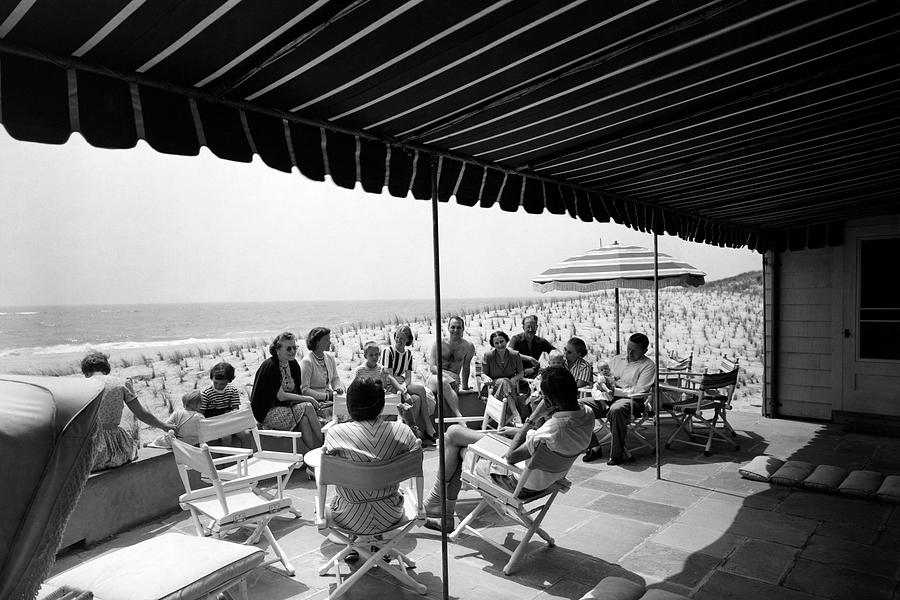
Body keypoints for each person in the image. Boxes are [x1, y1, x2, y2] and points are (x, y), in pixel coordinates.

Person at [423, 367, 594, 532]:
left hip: (515, 481)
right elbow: (549, 440)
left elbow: (511, 457)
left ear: (549, 401)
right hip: (547, 478)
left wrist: (531, 420)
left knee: (457, 445)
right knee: (454, 434)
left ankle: (438, 505)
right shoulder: (587, 413)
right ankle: (440, 507)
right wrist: (522, 432)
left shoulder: (555, 429)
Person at [323, 377, 417, 548]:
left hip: (348, 517)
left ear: (350, 404)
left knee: (351, 488)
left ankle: (354, 544)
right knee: (376, 486)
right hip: (390, 514)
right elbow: (416, 451)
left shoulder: (336, 433)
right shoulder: (401, 430)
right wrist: (410, 422)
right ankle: (377, 543)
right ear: (381, 405)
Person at [81, 351, 170, 471]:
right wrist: (164, 426)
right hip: (119, 448)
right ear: (107, 369)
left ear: (86, 371)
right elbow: (141, 413)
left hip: (93, 451)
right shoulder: (121, 383)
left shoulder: (81, 385)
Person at [584, 333, 656, 465]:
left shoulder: (648, 365)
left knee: (616, 409)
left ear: (644, 351)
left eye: (634, 350)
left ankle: (617, 454)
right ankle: (594, 446)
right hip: (607, 397)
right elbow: (605, 376)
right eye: (628, 348)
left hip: (632, 400)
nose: (629, 352)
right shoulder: (617, 359)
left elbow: (639, 390)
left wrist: (614, 391)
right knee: (577, 407)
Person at [250, 331, 323, 450]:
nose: (293, 351)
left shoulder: (292, 364)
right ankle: (324, 444)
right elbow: (281, 396)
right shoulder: (271, 366)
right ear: (278, 350)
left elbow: (296, 391)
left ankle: (312, 452)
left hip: (284, 407)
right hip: (267, 412)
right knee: (308, 406)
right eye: (289, 349)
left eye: (295, 347)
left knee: (304, 419)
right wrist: (309, 398)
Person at [380, 324, 436, 444]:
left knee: (417, 398)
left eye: (402, 339)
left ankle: (409, 433)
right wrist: (403, 391)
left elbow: (408, 377)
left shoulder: (408, 354)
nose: (399, 341)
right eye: (397, 337)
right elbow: (388, 375)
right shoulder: (388, 351)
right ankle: (428, 427)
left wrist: (404, 388)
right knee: (420, 390)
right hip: (390, 385)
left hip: (401, 383)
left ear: (408, 340)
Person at [426, 316, 475, 418]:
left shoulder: (468, 346)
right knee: (443, 382)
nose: (455, 330)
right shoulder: (439, 343)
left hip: (454, 381)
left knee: (442, 396)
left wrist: (465, 386)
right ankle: (459, 417)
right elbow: (432, 367)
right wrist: (446, 377)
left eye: (458, 327)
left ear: (463, 329)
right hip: (436, 377)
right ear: (448, 328)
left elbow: (466, 368)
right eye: (453, 327)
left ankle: (445, 428)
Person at [481, 330, 527, 422]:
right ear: (493, 344)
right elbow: (483, 373)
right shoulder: (489, 355)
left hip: (510, 386)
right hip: (493, 386)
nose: (500, 345)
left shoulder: (515, 355)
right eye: (496, 343)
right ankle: (515, 413)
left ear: (506, 341)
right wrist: (486, 377)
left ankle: (506, 419)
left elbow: (521, 373)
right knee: (504, 380)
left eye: (502, 341)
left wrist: (515, 378)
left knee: (505, 381)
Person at [300, 326, 345, 419]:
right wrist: (327, 396)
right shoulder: (307, 362)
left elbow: (335, 378)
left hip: (330, 397)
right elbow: (305, 390)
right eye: (326, 340)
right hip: (315, 401)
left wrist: (338, 388)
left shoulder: (330, 357)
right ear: (317, 342)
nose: (330, 342)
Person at [508, 315, 556, 383]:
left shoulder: (541, 341)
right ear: (523, 328)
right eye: (528, 327)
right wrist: (529, 358)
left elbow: (554, 351)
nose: (530, 330)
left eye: (533, 327)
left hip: (535, 373)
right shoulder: (516, 339)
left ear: (536, 327)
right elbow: (509, 352)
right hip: (517, 374)